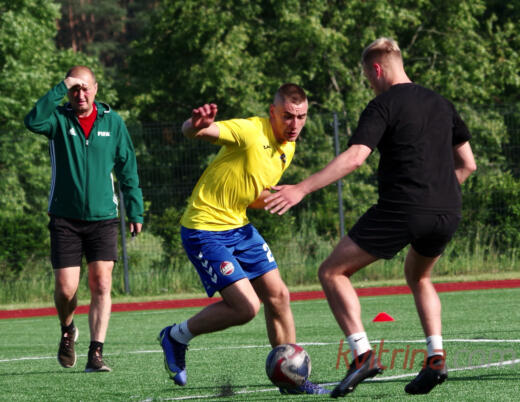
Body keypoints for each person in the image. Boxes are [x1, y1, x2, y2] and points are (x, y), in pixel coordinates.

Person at [265, 38, 477, 397]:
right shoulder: (442, 103)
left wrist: (301, 188)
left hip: (404, 207)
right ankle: (436, 359)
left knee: (332, 272)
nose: (370, 84)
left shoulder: (384, 104)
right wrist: (436, 194)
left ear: (376, 69)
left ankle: (362, 355)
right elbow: (468, 164)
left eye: (368, 77)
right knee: (419, 276)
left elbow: (355, 157)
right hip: (448, 209)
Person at [157, 84, 328, 394]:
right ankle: (176, 336)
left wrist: (280, 197)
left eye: (301, 117)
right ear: (272, 112)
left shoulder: (287, 148)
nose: (295, 124)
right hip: (204, 229)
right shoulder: (250, 130)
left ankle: (292, 379)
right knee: (246, 307)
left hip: (239, 226)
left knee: (279, 296)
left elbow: (251, 195)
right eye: (288, 116)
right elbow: (194, 131)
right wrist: (195, 124)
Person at [24, 66, 144, 372]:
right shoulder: (57, 119)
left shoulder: (113, 122)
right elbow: (32, 120)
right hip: (64, 218)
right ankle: (67, 330)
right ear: (68, 91)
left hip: (103, 218)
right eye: (74, 89)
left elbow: (127, 168)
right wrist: (59, 87)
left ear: (96, 89)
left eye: (85, 88)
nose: (80, 94)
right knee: (66, 290)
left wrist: (135, 209)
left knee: (101, 283)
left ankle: (96, 352)